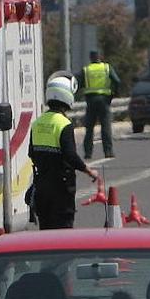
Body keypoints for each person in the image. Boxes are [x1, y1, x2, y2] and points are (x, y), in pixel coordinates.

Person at [29, 82, 99, 230]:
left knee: (45, 229)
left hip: (42, 185)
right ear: (66, 97)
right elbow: (70, 156)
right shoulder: (63, 124)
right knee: (63, 229)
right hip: (61, 186)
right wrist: (88, 170)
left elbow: (31, 153)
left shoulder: (37, 123)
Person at [79, 50, 121, 159]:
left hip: (91, 100)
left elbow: (78, 83)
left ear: (90, 58)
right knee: (105, 127)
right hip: (104, 100)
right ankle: (108, 151)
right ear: (100, 57)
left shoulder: (86, 70)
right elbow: (117, 81)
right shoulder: (107, 68)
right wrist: (113, 94)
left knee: (89, 128)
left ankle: (88, 153)